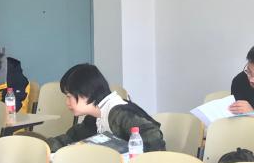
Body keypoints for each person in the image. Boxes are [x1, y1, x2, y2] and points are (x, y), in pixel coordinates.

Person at [36, 64, 165, 153]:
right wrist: (42, 147)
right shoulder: (95, 117)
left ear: (87, 92)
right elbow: (71, 139)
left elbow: (153, 138)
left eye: (69, 96)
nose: (67, 102)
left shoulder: (119, 113)